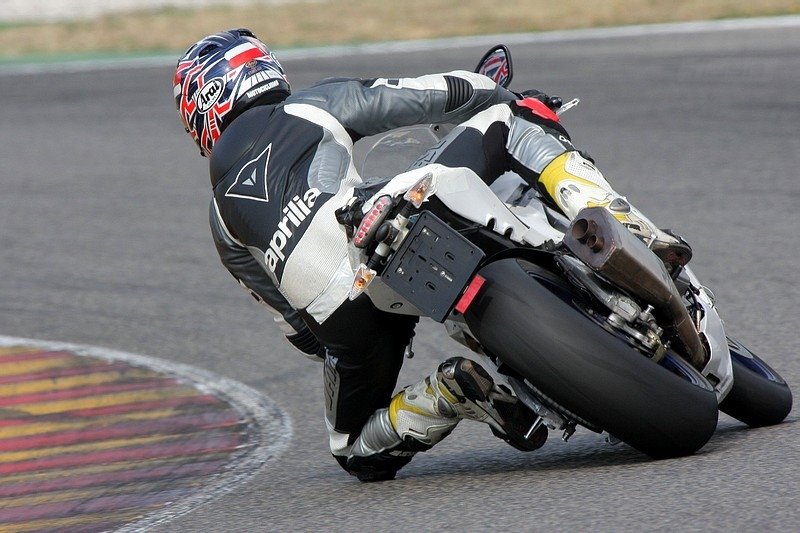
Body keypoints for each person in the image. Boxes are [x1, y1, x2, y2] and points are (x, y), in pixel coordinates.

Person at [174, 29, 691, 482]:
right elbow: (435, 94)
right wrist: (502, 93)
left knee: (353, 449)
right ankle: (623, 225)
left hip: (342, 317)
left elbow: (299, 333)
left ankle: (447, 394)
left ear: (205, 107)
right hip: (381, 219)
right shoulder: (311, 105)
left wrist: (347, 343)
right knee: (512, 118)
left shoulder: (220, 221)